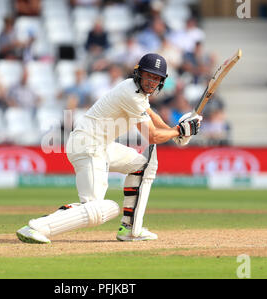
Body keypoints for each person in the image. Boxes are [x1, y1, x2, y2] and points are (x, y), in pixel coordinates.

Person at [16, 53, 202, 244]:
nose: (151, 81)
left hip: (101, 145)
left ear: (162, 81)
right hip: (88, 145)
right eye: (148, 75)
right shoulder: (132, 94)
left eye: (156, 78)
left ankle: (130, 229)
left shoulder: (137, 92)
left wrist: (176, 132)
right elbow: (152, 136)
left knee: (142, 165)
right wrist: (178, 130)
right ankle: (36, 227)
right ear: (139, 73)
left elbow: (153, 116)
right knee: (98, 209)